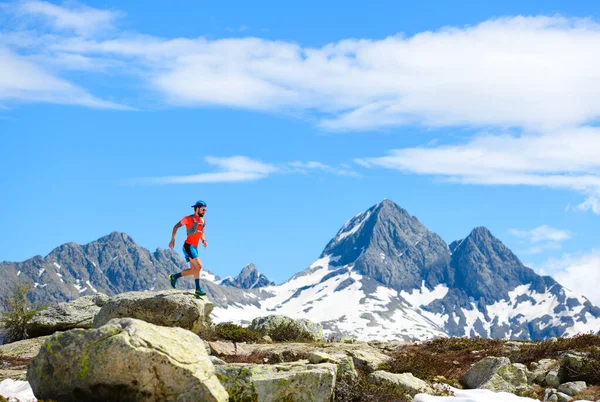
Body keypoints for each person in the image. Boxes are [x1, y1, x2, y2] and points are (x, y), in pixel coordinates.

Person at [168, 200, 208, 298]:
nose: (204, 211)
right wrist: (172, 240)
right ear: (197, 209)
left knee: (194, 269)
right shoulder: (188, 218)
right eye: (203, 209)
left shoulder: (203, 221)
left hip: (195, 247)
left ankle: (174, 277)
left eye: (205, 210)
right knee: (199, 266)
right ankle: (198, 289)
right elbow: (176, 227)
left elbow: (201, 232)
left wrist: (203, 240)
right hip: (188, 246)